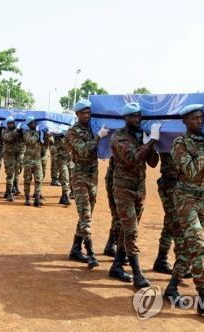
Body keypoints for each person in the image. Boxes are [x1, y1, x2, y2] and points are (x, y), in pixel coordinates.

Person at [163, 104, 204, 316]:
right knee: (198, 246)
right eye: (195, 118)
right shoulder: (180, 143)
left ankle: (171, 287)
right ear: (185, 121)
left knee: (190, 250)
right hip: (185, 200)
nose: (200, 121)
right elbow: (190, 170)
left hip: (201, 201)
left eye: (202, 117)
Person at [109, 102, 159, 287]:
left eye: (139, 116)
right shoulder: (118, 137)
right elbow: (131, 158)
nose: (137, 119)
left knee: (126, 230)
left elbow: (153, 162)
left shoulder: (140, 137)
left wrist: (149, 144)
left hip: (139, 190)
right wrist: (151, 141)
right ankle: (137, 274)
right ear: (125, 118)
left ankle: (117, 266)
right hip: (123, 190)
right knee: (131, 230)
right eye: (133, 116)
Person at [66, 99, 110, 269]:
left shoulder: (92, 128)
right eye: (83, 113)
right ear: (77, 114)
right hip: (79, 177)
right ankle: (90, 252)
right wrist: (98, 137)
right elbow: (84, 151)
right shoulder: (72, 132)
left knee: (87, 213)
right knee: (85, 215)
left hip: (92, 176)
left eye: (88, 113)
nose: (86, 116)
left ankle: (76, 248)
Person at [152, 151, 178, 273]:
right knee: (175, 222)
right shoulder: (173, 139)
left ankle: (162, 259)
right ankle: (180, 263)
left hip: (180, 183)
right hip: (170, 183)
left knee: (170, 222)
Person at [22, 116, 43, 207]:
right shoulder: (26, 133)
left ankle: (37, 199)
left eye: (35, 122)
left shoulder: (39, 133)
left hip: (37, 160)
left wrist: (46, 135)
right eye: (33, 122)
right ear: (29, 124)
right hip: (28, 160)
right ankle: (27, 198)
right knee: (27, 180)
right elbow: (31, 141)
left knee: (38, 180)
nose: (35, 124)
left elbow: (47, 143)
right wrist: (38, 134)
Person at [2, 116, 23, 201]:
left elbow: (23, 140)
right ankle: (9, 193)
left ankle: (10, 190)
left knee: (17, 173)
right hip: (9, 156)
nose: (11, 124)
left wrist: (21, 132)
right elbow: (8, 138)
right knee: (10, 174)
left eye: (12, 123)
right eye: (9, 123)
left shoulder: (19, 131)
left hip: (18, 155)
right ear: (7, 124)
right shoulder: (4, 131)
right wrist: (16, 131)